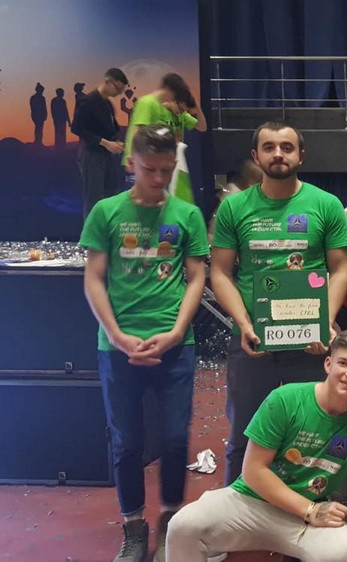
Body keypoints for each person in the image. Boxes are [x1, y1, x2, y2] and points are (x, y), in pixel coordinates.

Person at [80, 126, 208, 562]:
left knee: (174, 438)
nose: (158, 178)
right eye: (149, 169)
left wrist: (176, 332)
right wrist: (117, 335)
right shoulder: (106, 212)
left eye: (166, 170)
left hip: (175, 344)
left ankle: (170, 519)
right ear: (131, 163)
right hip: (118, 347)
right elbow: (94, 279)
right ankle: (134, 526)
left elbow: (197, 277)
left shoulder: (187, 214)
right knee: (127, 441)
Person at [211, 121, 347, 484]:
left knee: (312, 432)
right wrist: (245, 324)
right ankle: (237, 511)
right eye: (269, 147)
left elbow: (339, 270)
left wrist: (324, 322)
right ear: (255, 156)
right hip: (253, 341)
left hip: (310, 342)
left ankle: (308, 507)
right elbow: (221, 273)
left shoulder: (326, 205)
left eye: (287, 147)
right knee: (244, 434)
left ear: (301, 155)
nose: (278, 154)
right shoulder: (234, 208)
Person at [166, 330, 347, 562]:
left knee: (346, 552)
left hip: (303, 516)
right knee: (183, 526)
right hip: (252, 501)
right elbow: (253, 471)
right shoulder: (285, 399)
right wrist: (310, 510)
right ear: (328, 364)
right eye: (344, 363)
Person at [72, 68, 128, 216]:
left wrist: (115, 143)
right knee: (94, 199)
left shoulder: (107, 103)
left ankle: (107, 228)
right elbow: (77, 128)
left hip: (107, 156)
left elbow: (110, 128)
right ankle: (92, 231)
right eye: (118, 89)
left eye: (122, 90)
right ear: (107, 82)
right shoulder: (87, 101)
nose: (119, 93)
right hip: (92, 155)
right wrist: (105, 143)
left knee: (111, 196)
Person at [123, 73, 207, 164]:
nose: (181, 112)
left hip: (163, 160)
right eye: (181, 109)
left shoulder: (181, 115)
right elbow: (137, 132)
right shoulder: (147, 103)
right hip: (143, 161)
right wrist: (135, 159)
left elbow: (202, 127)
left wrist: (197, 105)